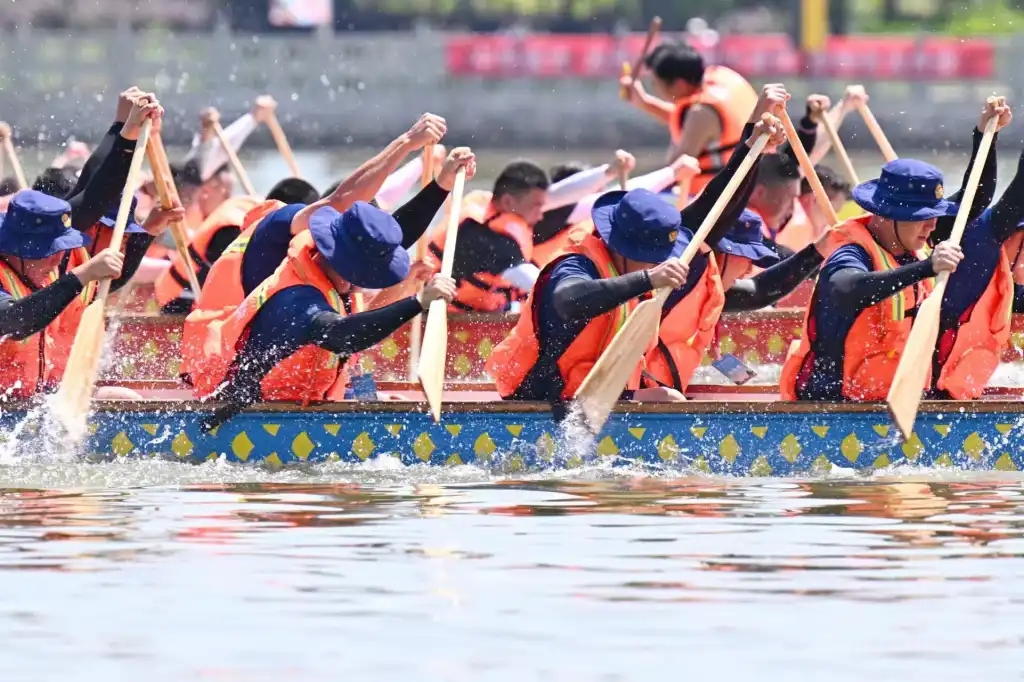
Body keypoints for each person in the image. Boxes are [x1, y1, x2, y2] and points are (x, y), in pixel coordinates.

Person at [487, 94, 787, 411]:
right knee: (667, 399)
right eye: (654, 256)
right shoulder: (577, 264)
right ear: (626, 247)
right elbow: (567, 299)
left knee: (667, 397)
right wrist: (646, 279)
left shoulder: (649, 252)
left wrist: (752, 143)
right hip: (540, 396)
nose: (663, 260)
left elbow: (718, 203)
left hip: (598, 394)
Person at [781, 100, 1006, 402]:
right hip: (833, 406)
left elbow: (973, 201)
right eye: (921, 217)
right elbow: (846, 289)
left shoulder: (914, 235)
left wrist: (985, 135)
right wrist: (927, 268)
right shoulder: (851, 253)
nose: (931, 226)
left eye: (934, 216)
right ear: (885, 215)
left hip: (890, 399)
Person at [185, 200, 457, 415]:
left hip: (295, 405)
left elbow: (396, 232)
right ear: (354, 270)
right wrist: (418, 302)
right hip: (238, 416)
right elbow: (343, 337)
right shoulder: (299, 299)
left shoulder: (326, 268)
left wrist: (441, 185)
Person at [0, 191, 124, 398]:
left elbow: (98, 189)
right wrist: (80, 275)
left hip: (28, 403)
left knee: (120, 398)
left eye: (62, 250)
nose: (58, 261)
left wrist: (123, 157)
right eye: (49, 250)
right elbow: (12, 322)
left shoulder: (39, 269)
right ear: (20, 248)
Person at [619, 41, 758, 194]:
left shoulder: (700, 113)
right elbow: (692, 124)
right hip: (750, 184)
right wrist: (644, 102)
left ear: (679, 84)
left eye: (655, 83)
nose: (656, 89)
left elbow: (674, 172)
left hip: (715, 199)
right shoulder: (720, 80)